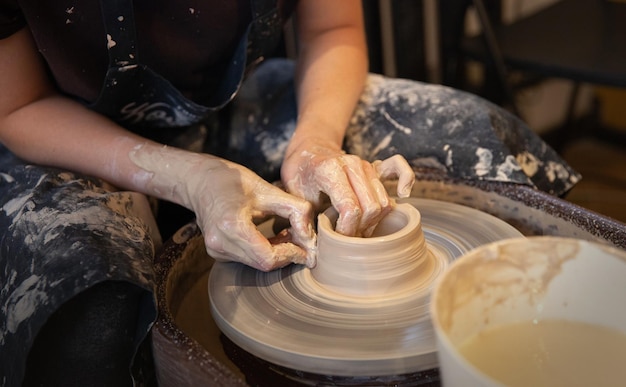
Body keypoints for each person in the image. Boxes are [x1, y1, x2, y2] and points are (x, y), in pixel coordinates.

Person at [0, 0, 580, 385]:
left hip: (233, 103)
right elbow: (16, 104)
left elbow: (333, 30)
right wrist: (188, 176)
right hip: (64, 129)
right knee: (92, 304)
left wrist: (315, 144)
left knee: (469, 140)